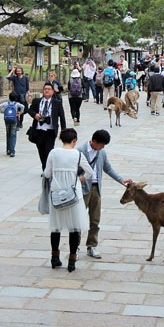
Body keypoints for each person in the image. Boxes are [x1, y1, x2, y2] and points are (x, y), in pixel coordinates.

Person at [71, 129, 131, 261]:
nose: (103, 147)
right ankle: (74, 246)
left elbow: (107, 168)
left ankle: (92, 245)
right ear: (94, 142)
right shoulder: (80, 152)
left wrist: (121, 180)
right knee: (79, 219)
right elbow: (72, 171)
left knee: (95, 219)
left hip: (96, 189)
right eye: (102, 145)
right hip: (82, 189)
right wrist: (79, 180)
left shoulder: (101, 153)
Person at [43, 128, 94, 272]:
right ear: (74, 140)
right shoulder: (77, 154)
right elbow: (90, 172)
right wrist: (82, 178)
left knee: (56, 228)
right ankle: (72, 260)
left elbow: (47, 173)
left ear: (61, 139)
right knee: (74, 228)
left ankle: (55, 257)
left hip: (57, 194)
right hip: (73, 196)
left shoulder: (53, 153)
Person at [27, 82, 67, 170]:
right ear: (43, 91)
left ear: (53, 91)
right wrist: (35, 115)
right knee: (41, 151)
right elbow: (29, 110)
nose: (47, 91)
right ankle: (44, 168)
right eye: (45, 89)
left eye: (49, 89)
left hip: (50, 131)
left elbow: (62, 117)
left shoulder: (57, 103)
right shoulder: (37, 101)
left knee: (49, 151)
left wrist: (64, 131)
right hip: (39, 130)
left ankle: (48, 169)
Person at [0, 92, 24, 157]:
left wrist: (3, 112)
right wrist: (20, 113)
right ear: (16, 98)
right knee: (13, 134)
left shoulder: (6, 104)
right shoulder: (16, 104)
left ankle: (8, 149)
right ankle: (12, 151)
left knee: (8, 134)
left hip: (7, 120)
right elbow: (23, 106)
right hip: (14, 119)